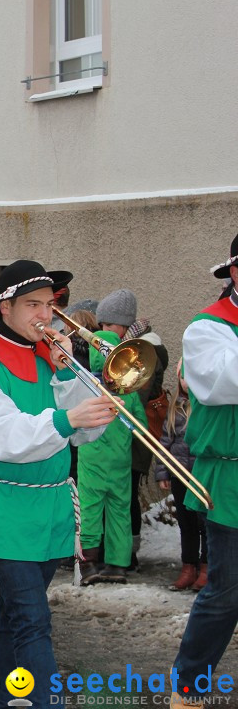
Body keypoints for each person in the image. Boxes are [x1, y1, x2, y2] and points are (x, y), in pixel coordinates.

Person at [0, 259, 114, 708]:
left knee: (14, 611)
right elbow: (3, 438)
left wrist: (68, 373)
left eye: (50, 305)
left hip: (46, 505)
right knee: (33, 618)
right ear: (6, 309)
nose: (46, 315)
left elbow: (88, 430)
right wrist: (65, 418)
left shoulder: (51, 354)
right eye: (33, 305)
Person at [170, 233, 238, 708]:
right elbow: (219, 384)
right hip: (231, 476)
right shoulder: (207, 327)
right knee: (228, 592)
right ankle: (189, 686)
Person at [74, 328, 147, 584]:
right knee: (119, 511)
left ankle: (89, 563)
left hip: (92, 460)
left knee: (90, 510)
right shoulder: (129, 392)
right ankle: (117, 564)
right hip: (120, 461)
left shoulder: (84, 386)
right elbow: (141, 428)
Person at [155, 359, 207, 591]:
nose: (186, 381)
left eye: (189, 376)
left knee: (204, 524)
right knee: (186, 523)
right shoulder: (175, 407)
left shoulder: (207, 407)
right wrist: (163, 471)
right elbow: (165, 442)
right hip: (179, 475)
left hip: (202, 476)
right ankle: (188, 566)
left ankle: (206, 567)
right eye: (182, 377)